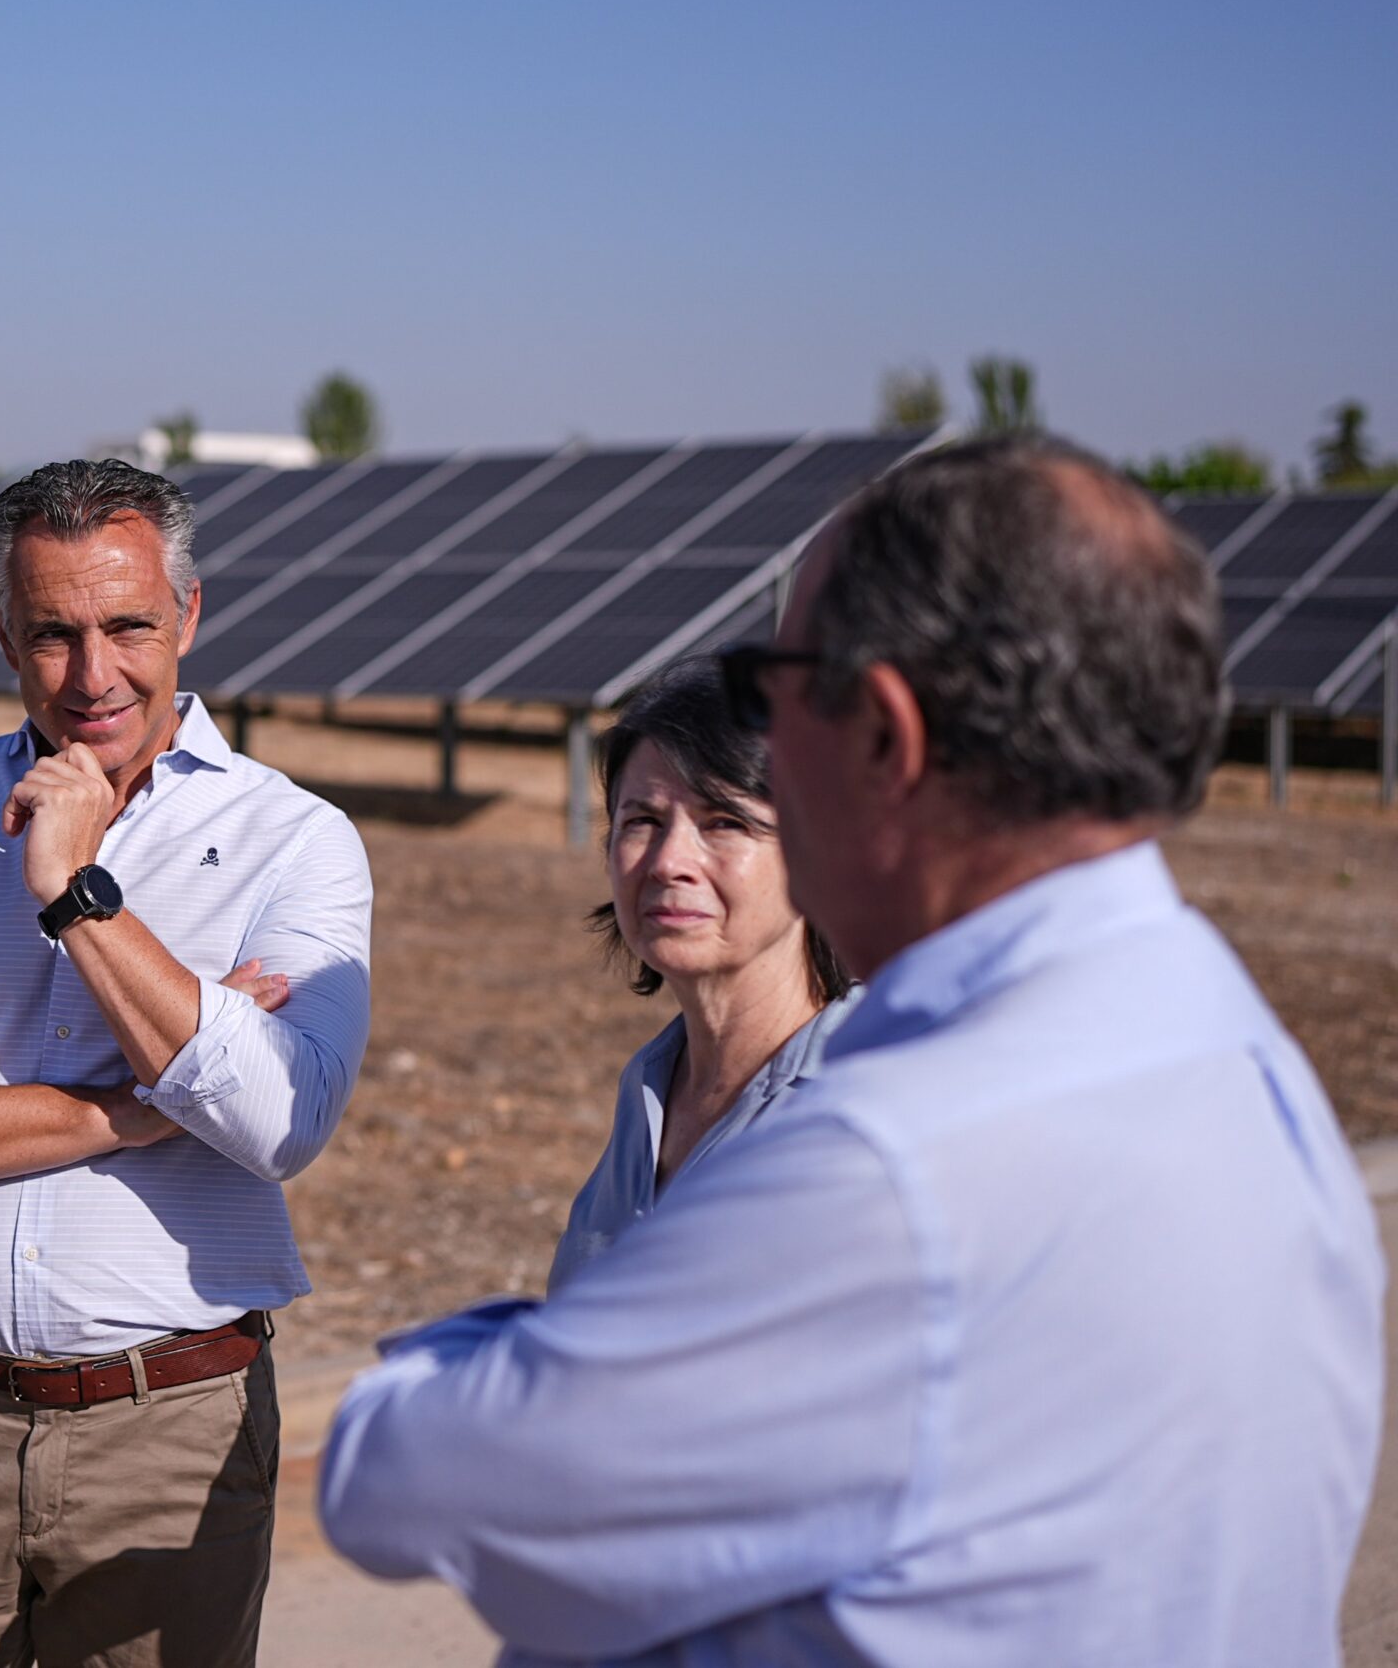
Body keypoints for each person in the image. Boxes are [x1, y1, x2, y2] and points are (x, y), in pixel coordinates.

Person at [318, 436, 1384, 1665]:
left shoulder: (901, 1156)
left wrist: (480, 1354)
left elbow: (407, 1484)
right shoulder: (1232, 1049)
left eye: (775, 684)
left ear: (880, 732)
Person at [0, 458, 374, 1666]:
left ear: (190, 614)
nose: (92, 674)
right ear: (4, 630)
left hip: (173, 1436)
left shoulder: (295, 840)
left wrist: (73, 889)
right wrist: (135, 1109)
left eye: (127, 626)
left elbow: (278, 1121)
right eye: (52, 633)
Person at [549, 653, 854, 1294]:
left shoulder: (863, 1107)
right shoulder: (652, 1088)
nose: (668, 862)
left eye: (724, 822)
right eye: (643, 822)